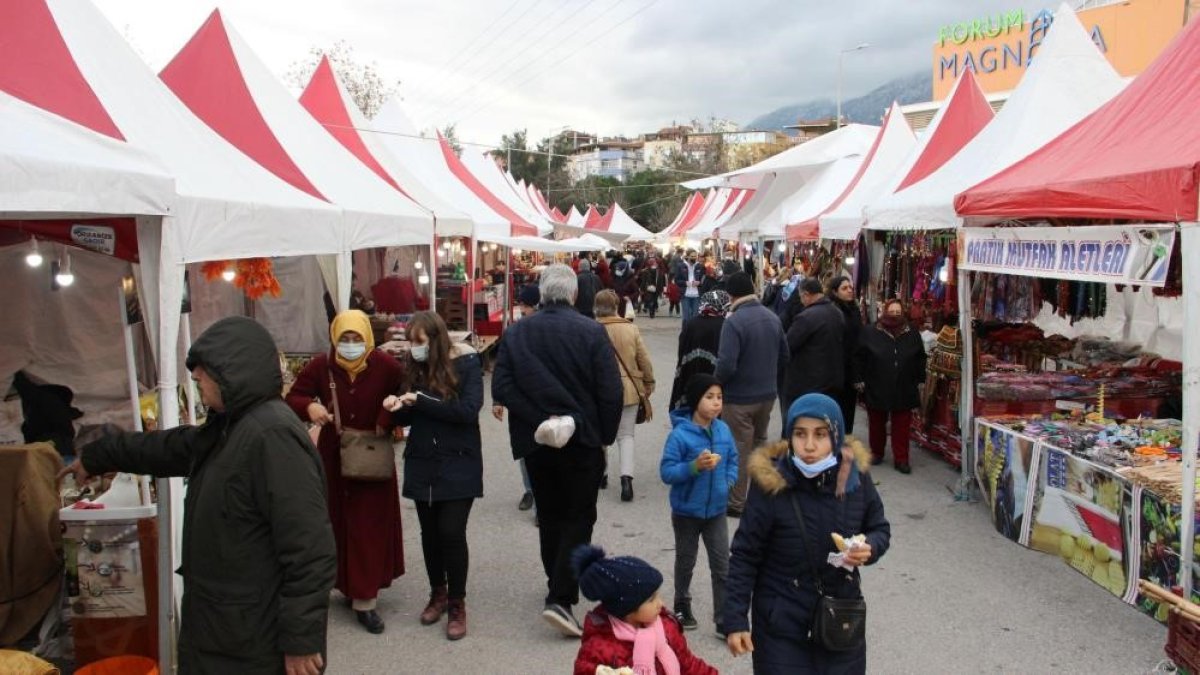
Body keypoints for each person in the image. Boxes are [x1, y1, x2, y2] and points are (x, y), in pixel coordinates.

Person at [59, 317, 335, 675]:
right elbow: (168, 447)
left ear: (232, 373)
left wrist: (301, 640)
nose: (197, 379)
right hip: (224, 625)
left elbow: (310, 550)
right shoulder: (231, 427)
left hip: (253, 639)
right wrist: (100, 455)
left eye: (204, 372)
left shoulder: (272, 437)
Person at [492, 263, 624, 637]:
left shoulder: (517, 333)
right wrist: (602, 434)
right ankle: (561, 598)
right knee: (579, 516)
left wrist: (540, 419)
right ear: (574, 294)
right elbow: (610, 390)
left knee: (549, 514)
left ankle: (557, 583)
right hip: (582, 440)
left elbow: (502, 386)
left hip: (536, 441)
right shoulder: (591, 332)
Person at [724, 394, 891, 674]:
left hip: (840, 620)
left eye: (821, 434)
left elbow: (879, 528)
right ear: (789, 435)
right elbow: (745, 555)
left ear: (835, 437)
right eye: (800, 434)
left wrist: (870, 547)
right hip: (781, 624)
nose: (810, 445)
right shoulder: (770, 485)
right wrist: (735, 620)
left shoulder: (855, 478)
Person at [285, 310, 404, 636]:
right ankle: (342, 582)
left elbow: (406, 395)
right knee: (334, 521)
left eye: (356, 339)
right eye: (344, 339)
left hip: (370, 456)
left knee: (368, 526)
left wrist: (387, 413)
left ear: (367, 338)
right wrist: (309, 407)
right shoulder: (322, 365)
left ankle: (365, 599)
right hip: (333, 458)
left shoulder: (386, 367)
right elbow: (294, 395)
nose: (350, 345)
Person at [383, 311, 483, 641]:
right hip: (423, 461)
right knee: (430, 534)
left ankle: (457, 602)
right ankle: (437, 593)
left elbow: (467, 412)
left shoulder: (467, 365)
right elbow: (413, 413)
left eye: (420, 342)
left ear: (436, 340)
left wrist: (421, 401)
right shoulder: (413, 370)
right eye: (412, 342)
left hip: (459, 461)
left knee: (451, 532)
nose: (414, 348)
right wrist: (398, 404)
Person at [660, 374, 737, 636]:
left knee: (722, 565)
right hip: (686, 513)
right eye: (710, 397)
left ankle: (724, 618)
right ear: (696, 401)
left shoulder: (723, 430)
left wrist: (728, 480)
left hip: (716, 511)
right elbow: (667, 472)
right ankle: (682, 604)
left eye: (720, 398)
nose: (716, 403)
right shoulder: (680, 436)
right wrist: (694, 466)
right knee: (686, 561)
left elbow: (734, 459)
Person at [572, 545, 718, 675]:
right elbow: (583, 669)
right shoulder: (599, 648)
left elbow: (687, 664)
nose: (660, 603)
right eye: (651, 599)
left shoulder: (666, 627)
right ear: (628, 608)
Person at [715, 272, 788, 519]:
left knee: (739, 450)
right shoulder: (772, 317)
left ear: (731, 294)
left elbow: (726, 364)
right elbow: (785, 356)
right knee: (759, 445)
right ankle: (762, 498)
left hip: (739, 398)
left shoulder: (734, 322)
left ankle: (737, 502)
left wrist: (717, 384)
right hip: (767, 395)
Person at [594, 290, 654, 502]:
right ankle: (626, 479)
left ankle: (601, 475)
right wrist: (649, 382)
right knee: (626, 435)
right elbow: (643, 359)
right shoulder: (631, 328)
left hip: (599, 390)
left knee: (601, 434)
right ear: (617, 306)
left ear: (596, 307)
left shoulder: (592, 329)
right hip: (628, 388)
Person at [854, 299, 926, 474]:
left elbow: (919, 357)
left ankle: (901, 459)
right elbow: (859, 356)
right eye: (891, 311)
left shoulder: (912, 332)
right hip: (877, 383)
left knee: (901, 425)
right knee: (877, 422)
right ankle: (877, 453)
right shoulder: (870, 331)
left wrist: (920, 379)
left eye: (897, 312)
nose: (894, 315)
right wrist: (859, 378)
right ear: (884, 312)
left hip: (904, 385)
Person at [783, 278, 845, 421]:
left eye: (801, 297)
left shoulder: (806, 317)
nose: (801, 301)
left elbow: (788, 345)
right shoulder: (837, 312)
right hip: (832, 380)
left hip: (809, 382)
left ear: (806, 294)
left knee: (804, 420)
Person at [668, 290, 729, 410]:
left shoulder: (691, 323)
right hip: (715, 377)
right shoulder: (725, 325)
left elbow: (682, 348)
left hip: (691, 372)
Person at [829, 276, 864, 435]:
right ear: (835, 292)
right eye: (844, 288)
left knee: (849, 409)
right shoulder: (832, 312)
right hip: (835, 369)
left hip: (851, 368)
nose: (850, 290)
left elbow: (857, 341)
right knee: (835, 409)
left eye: (850, 287)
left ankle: (845, 441)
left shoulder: (854, 310)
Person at [674, 249, 704, 322]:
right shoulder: (681, 266)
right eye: (692, 256)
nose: (694, 258)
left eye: (695, 256)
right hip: (685, 295)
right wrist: (685, 283)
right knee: (686, 317)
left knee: (695, 317)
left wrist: (699, 282)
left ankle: (694, 333)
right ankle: (686, 332)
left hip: (696, 295)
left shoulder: (700, 266)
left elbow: (704, 280)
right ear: (687, 256)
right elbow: (676, 280)